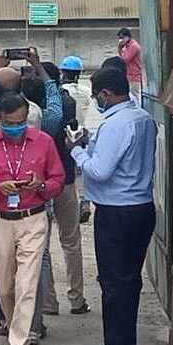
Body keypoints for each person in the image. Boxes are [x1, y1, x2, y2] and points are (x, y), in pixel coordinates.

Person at [68, 67, 157, 345]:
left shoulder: (117, 124)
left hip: (117, 212)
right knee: (128, 282)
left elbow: (100, 170)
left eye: (97, 97)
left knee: (114, 284)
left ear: (105, 94)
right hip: (140, 207)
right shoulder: (141, 118)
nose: (96, 101)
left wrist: (77, 151)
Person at [0, 93, 65, 345]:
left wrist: (42, 186)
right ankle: (17, 334)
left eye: (22, 122)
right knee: (5, 288)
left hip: (33, 218)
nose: (18, 127)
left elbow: (58, 180)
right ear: (0, 120)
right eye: (12, 123)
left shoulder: (43, 142)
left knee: (26, 284)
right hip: (0, 221)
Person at [40, 62, 90, 317]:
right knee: (70, 241)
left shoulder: (32, 108)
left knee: (41, 246)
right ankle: (76, 298)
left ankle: (48, 302)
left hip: (40, 187)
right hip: (67, 181)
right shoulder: (67, 102)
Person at [60, 55, 94, 224]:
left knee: (65, 170)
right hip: (82, 133)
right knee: (81, 170)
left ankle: (60, 206)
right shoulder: (86, 91)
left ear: (63, 72)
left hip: (65, 134)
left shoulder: (61, 92)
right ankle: (85, 202)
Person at [116, 28, 144, 103]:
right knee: (129, 96)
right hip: (128, 75)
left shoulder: (133, 46)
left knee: (134, 96)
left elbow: (125, 59)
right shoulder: (127, 46)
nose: (121, 40)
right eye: (120, 38)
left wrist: (120, 47)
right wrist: (120, 49)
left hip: (134, 75)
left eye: (122, 38)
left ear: (127, 37)